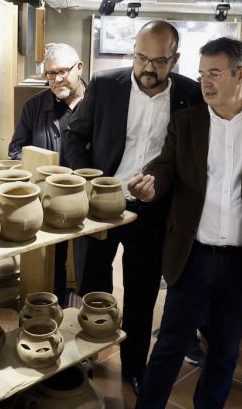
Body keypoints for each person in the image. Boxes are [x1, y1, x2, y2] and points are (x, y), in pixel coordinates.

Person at [129, 37, 242, 408]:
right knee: (171, 344)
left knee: (224, 350)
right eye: (202, 73)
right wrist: (151, 185)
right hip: (192, 256)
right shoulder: (186, 121)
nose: (206, 82)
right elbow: (166, 166)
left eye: (216, 73)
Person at [63, 20, 200, 395]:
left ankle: (135, 368)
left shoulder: (191, 94)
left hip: (153, 213)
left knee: (141, 295)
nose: (147, 68)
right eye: (141, 57)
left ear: (175, 59)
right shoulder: (107, 86)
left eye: (158, 60)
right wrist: (86, 180)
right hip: (101, 208)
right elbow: (74, 134)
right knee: (92, 288)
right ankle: (85, 360)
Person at [8, 43, 85, 306]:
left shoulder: (98, 104)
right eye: (51, 74)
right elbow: (15, 148)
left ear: (79, 68)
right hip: (47, 201)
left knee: (90, 264)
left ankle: (86, 311)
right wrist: (36, 168)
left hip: (87, 199)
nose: (57, 79)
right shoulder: (34, 106)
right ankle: (56, 309)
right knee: (53, 263)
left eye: (63, 71)